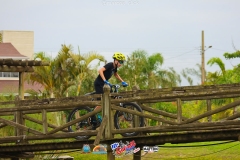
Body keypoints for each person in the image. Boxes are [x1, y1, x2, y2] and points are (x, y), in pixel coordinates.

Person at [91, 52, 128, 129]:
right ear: (115, 60)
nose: (121, 64)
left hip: (105, 85)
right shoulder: (110, 65)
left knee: (112, 96)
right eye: (120, 62)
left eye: (122, 62)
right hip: (99, 84)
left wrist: (122, 81)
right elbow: (100, 70)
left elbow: (116, 74)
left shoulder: (114, 67)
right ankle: (92, 115)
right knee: (101, 103)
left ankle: (110, 113)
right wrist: (105, 80)